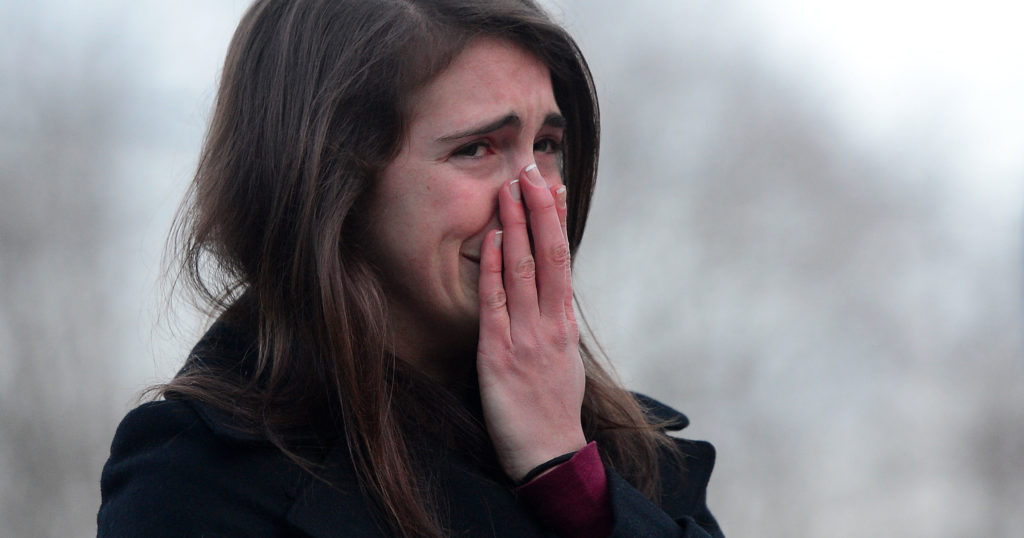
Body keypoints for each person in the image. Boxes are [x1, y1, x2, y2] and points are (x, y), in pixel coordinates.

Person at [97, 0, 723, 536]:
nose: (537, 196)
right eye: (476, 149)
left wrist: (568, 479)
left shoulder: (629, 458)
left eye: (547, 145)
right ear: (332, 185)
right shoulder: (202, 480)